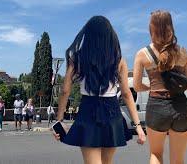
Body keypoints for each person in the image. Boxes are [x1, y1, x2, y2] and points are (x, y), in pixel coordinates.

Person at [53, 16, 146, 164]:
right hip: (112, 111)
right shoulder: (118, 59)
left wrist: (59, 120)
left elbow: (65, 91)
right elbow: (127, 94)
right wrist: (138, 126)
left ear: (87, 35)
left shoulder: (77, 58)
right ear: (110, 35)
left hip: (88, 110)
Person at [133, 10, 187, 164]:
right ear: (170, 27)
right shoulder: (183, 53)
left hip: (156, 106)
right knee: (178, 160)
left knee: (155, 154)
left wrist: (150, 87)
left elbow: (137, 86)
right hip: (181, 106)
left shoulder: (142, 54)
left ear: (151, 28)